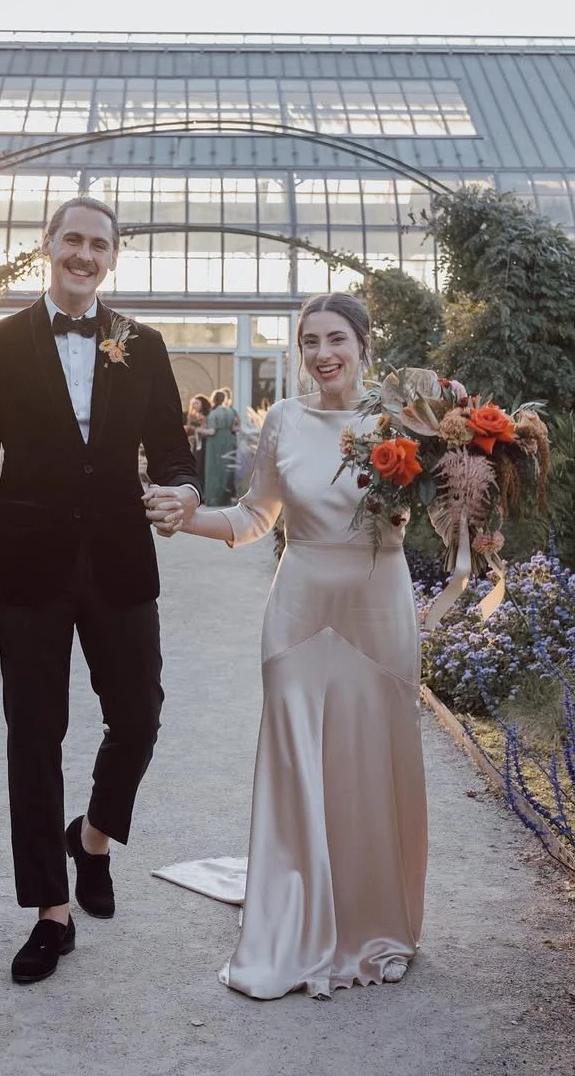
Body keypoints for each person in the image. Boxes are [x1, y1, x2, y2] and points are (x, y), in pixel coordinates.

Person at [144, 293, 427, 999]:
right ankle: (295, 923)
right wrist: (188, 517)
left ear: (364, 343)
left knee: (372, 763)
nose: (323, 354)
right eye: (309, 341)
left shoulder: (409, 423)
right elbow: (253, 515)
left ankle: (371, 919)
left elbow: (453, 505)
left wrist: (474, 536)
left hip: (378, 615)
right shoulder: (286, 423)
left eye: (336, 339)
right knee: (298, 767)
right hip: (299, 612)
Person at [0, 195, 202, 985]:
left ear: (112, 257)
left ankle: (91, 838)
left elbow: (171, 450)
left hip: (120, 559)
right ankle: (49, 914)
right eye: (73, 240)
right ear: (47, 246)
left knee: (140, 717)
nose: (84, 254)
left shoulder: (143, 343)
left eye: (99, 244)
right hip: (25, 566)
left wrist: (184, 492)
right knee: (34, 734)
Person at [201, 388, 239, 507]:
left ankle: (213, 500)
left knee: (213, 471)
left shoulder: (213, 413)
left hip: (215, 443)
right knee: (226, 470)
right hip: (229, 441)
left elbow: (212, 431)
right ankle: (225, 499)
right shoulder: (231, 412)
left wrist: (199, 430)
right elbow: (235, 428)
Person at [184, 393, 211, 484]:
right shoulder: (193, 416)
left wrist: (194, 429)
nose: (194, 405)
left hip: (204, 443)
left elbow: (204, 429)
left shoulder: (207, 416)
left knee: (201, 464)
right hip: (196, 443)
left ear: (202, 403)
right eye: (193, 403)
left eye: (196, 403)